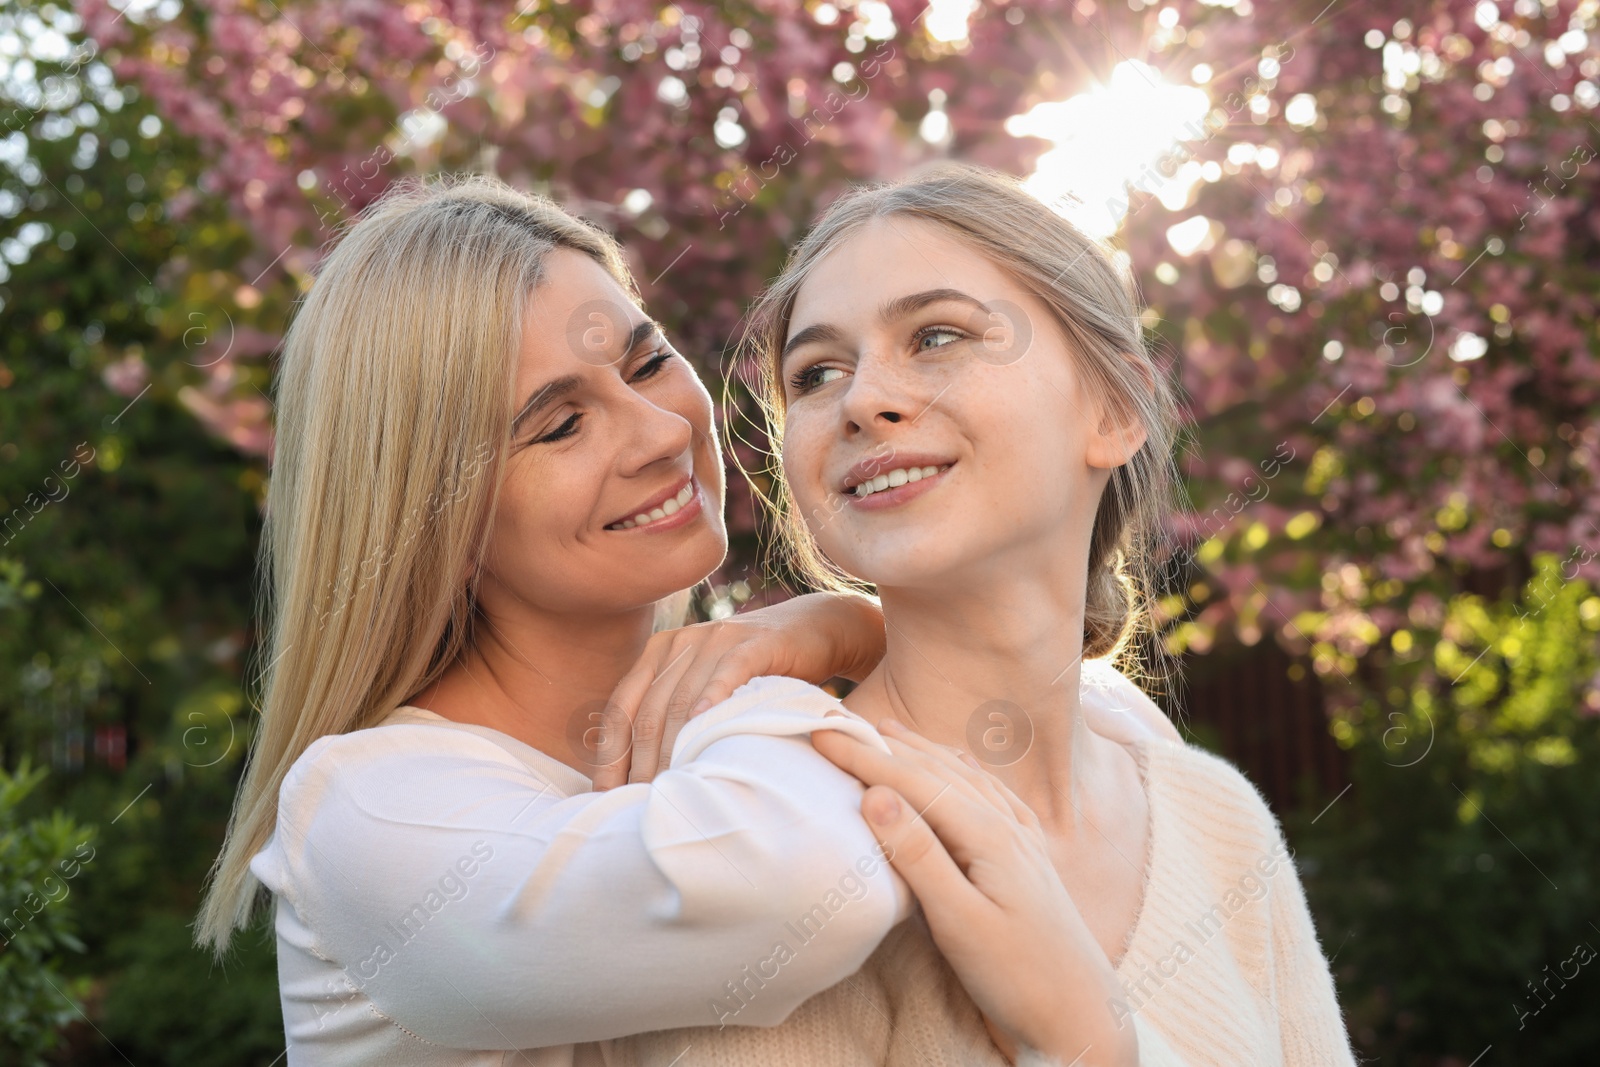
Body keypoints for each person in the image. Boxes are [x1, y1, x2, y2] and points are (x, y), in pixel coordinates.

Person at [193, 172, 1166, 1066]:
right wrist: (828, 631)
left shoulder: (735, 743)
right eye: (561, 423)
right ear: (428, 515)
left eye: (647, 360)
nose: (663, 431)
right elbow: (808, 884)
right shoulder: (370, 806)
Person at [606, 163, 1360, 1066]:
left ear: (1114, 407)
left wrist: (1085, 1037)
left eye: (934, 336)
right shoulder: (774, 845)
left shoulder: (1216, 817)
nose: (860, 400)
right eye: (816, 372)